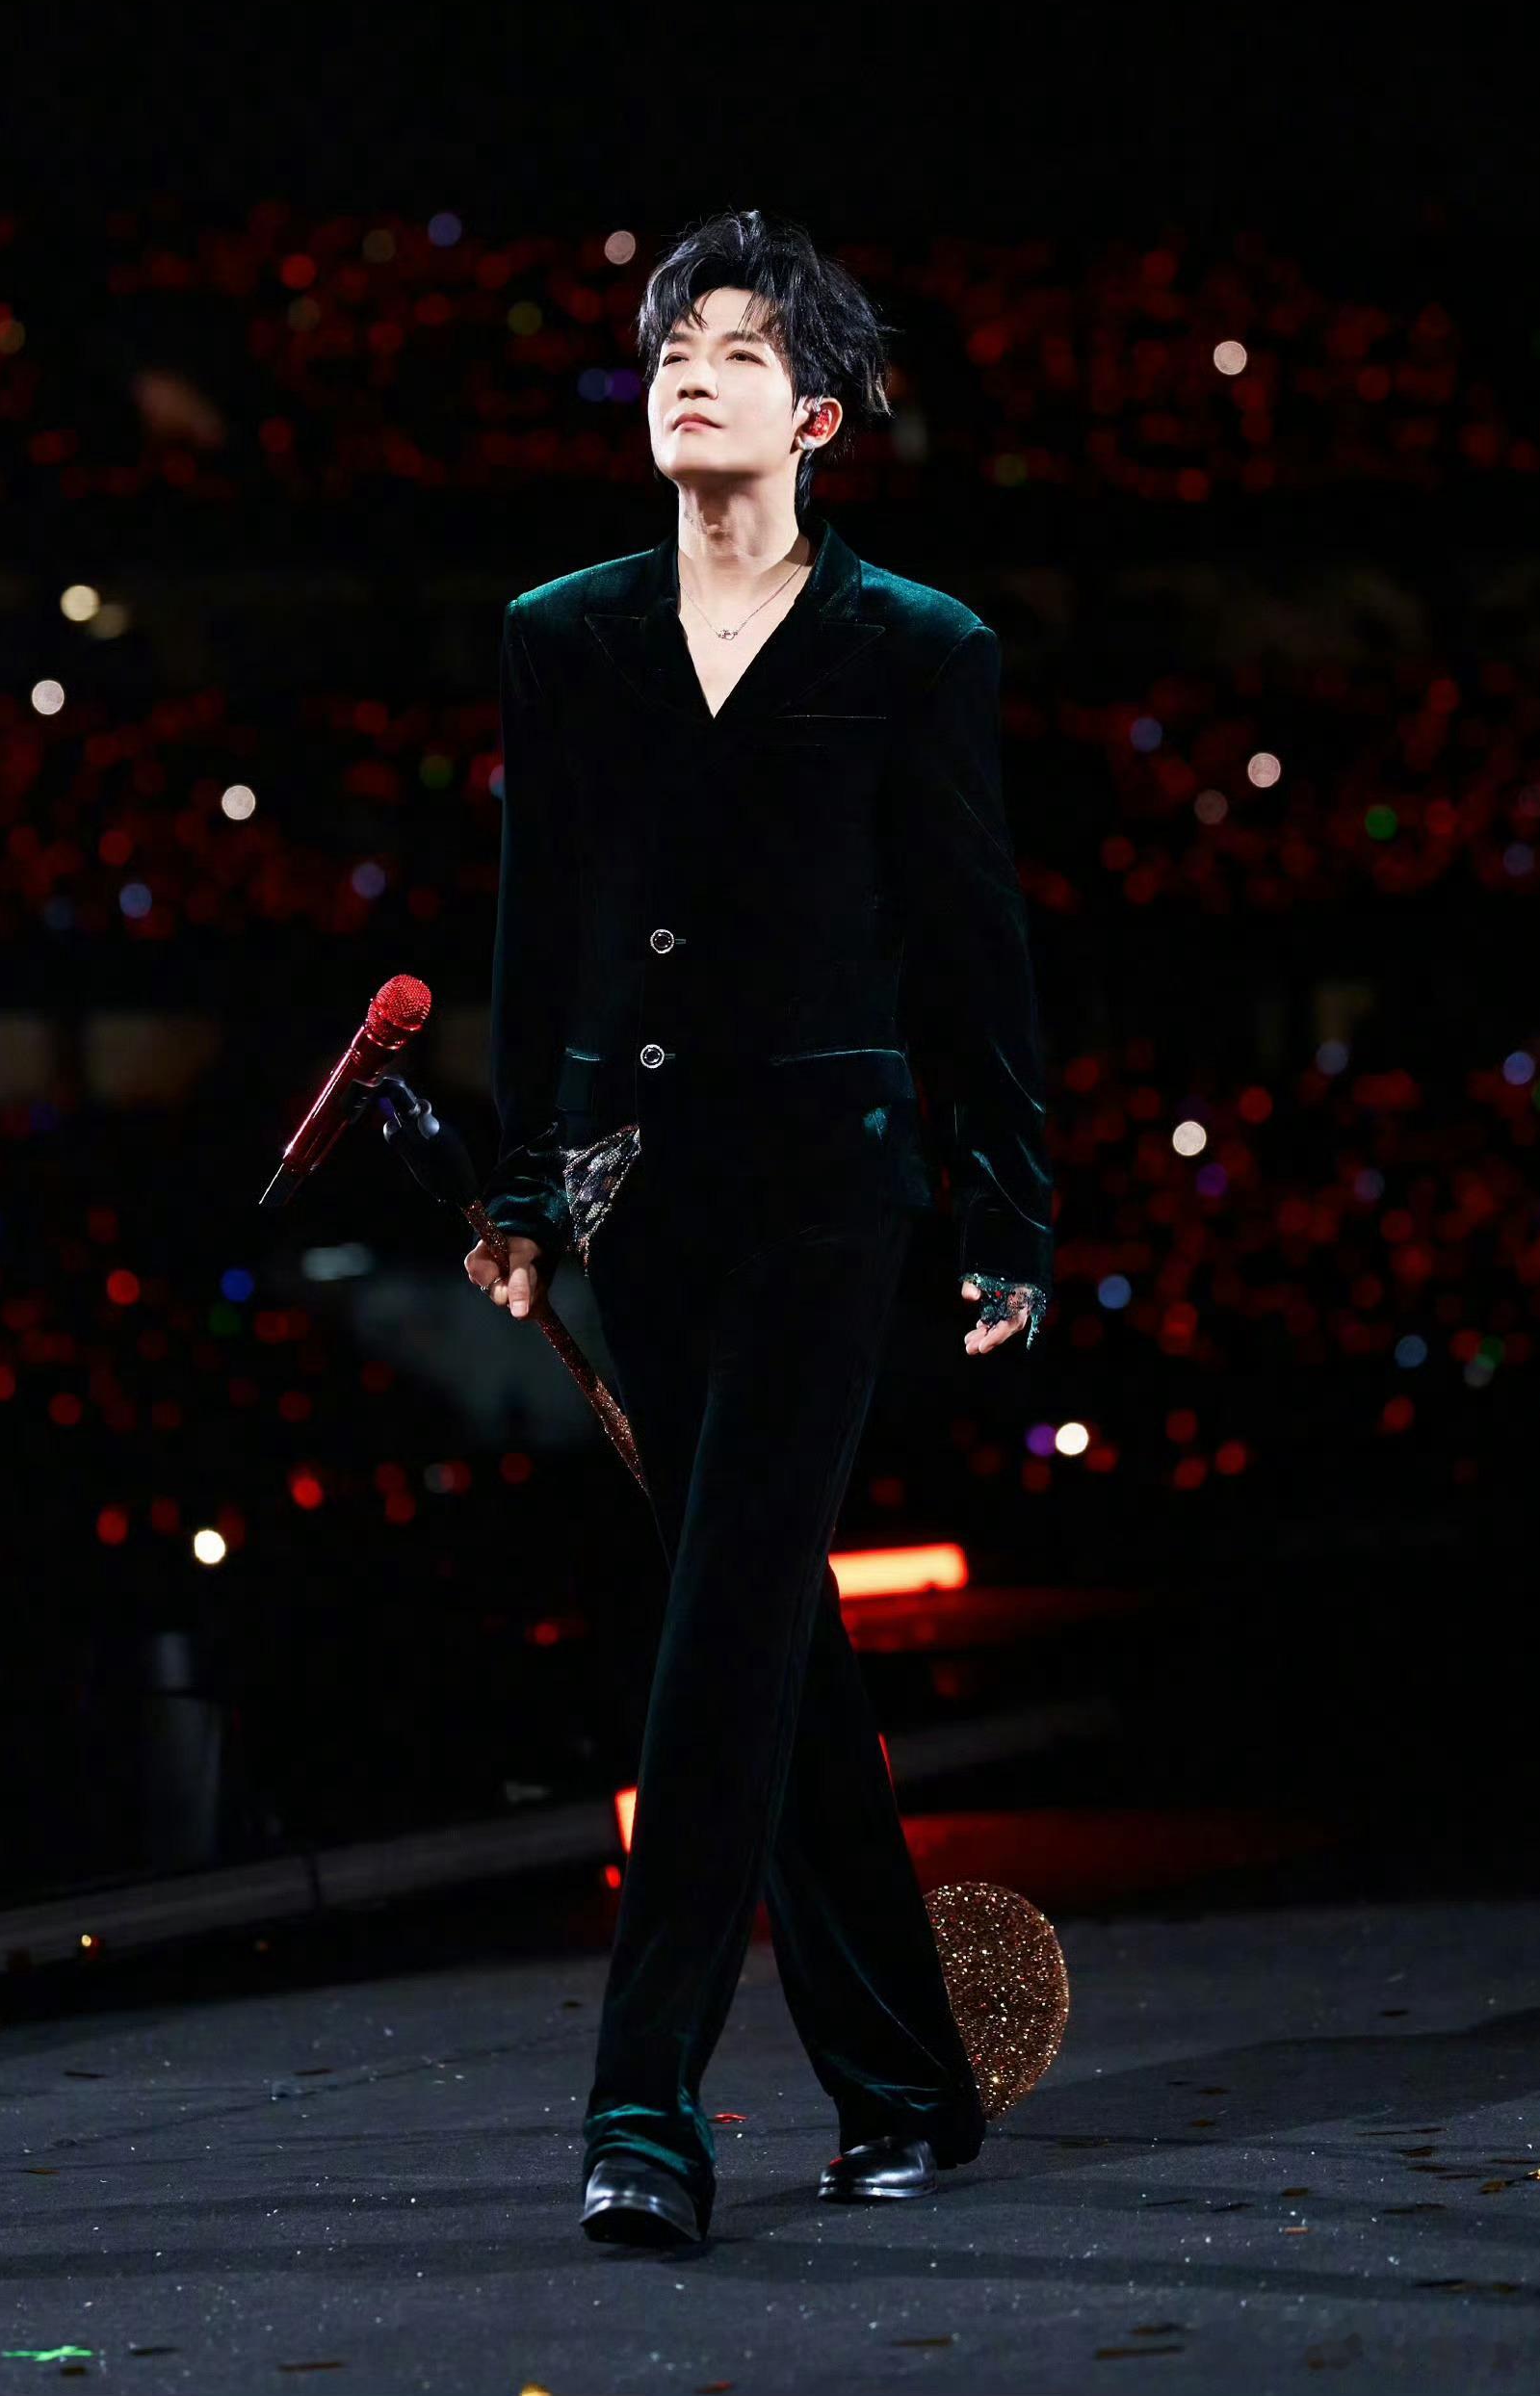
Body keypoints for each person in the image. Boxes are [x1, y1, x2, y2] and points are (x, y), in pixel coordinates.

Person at [464, 205, 1053, 2251]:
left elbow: (972, 938)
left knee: (718, 1625)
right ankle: (905, 2079)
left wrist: (1006, 1201)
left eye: (735, 350)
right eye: (667, 350)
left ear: (815, 413)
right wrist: (524, 1183)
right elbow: (538, 928)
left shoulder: (917, 647)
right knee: (768, 1629)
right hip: (641, 1195)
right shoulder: (563, 635)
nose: (688, 375)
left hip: (828, 1190)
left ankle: (644, 2102)